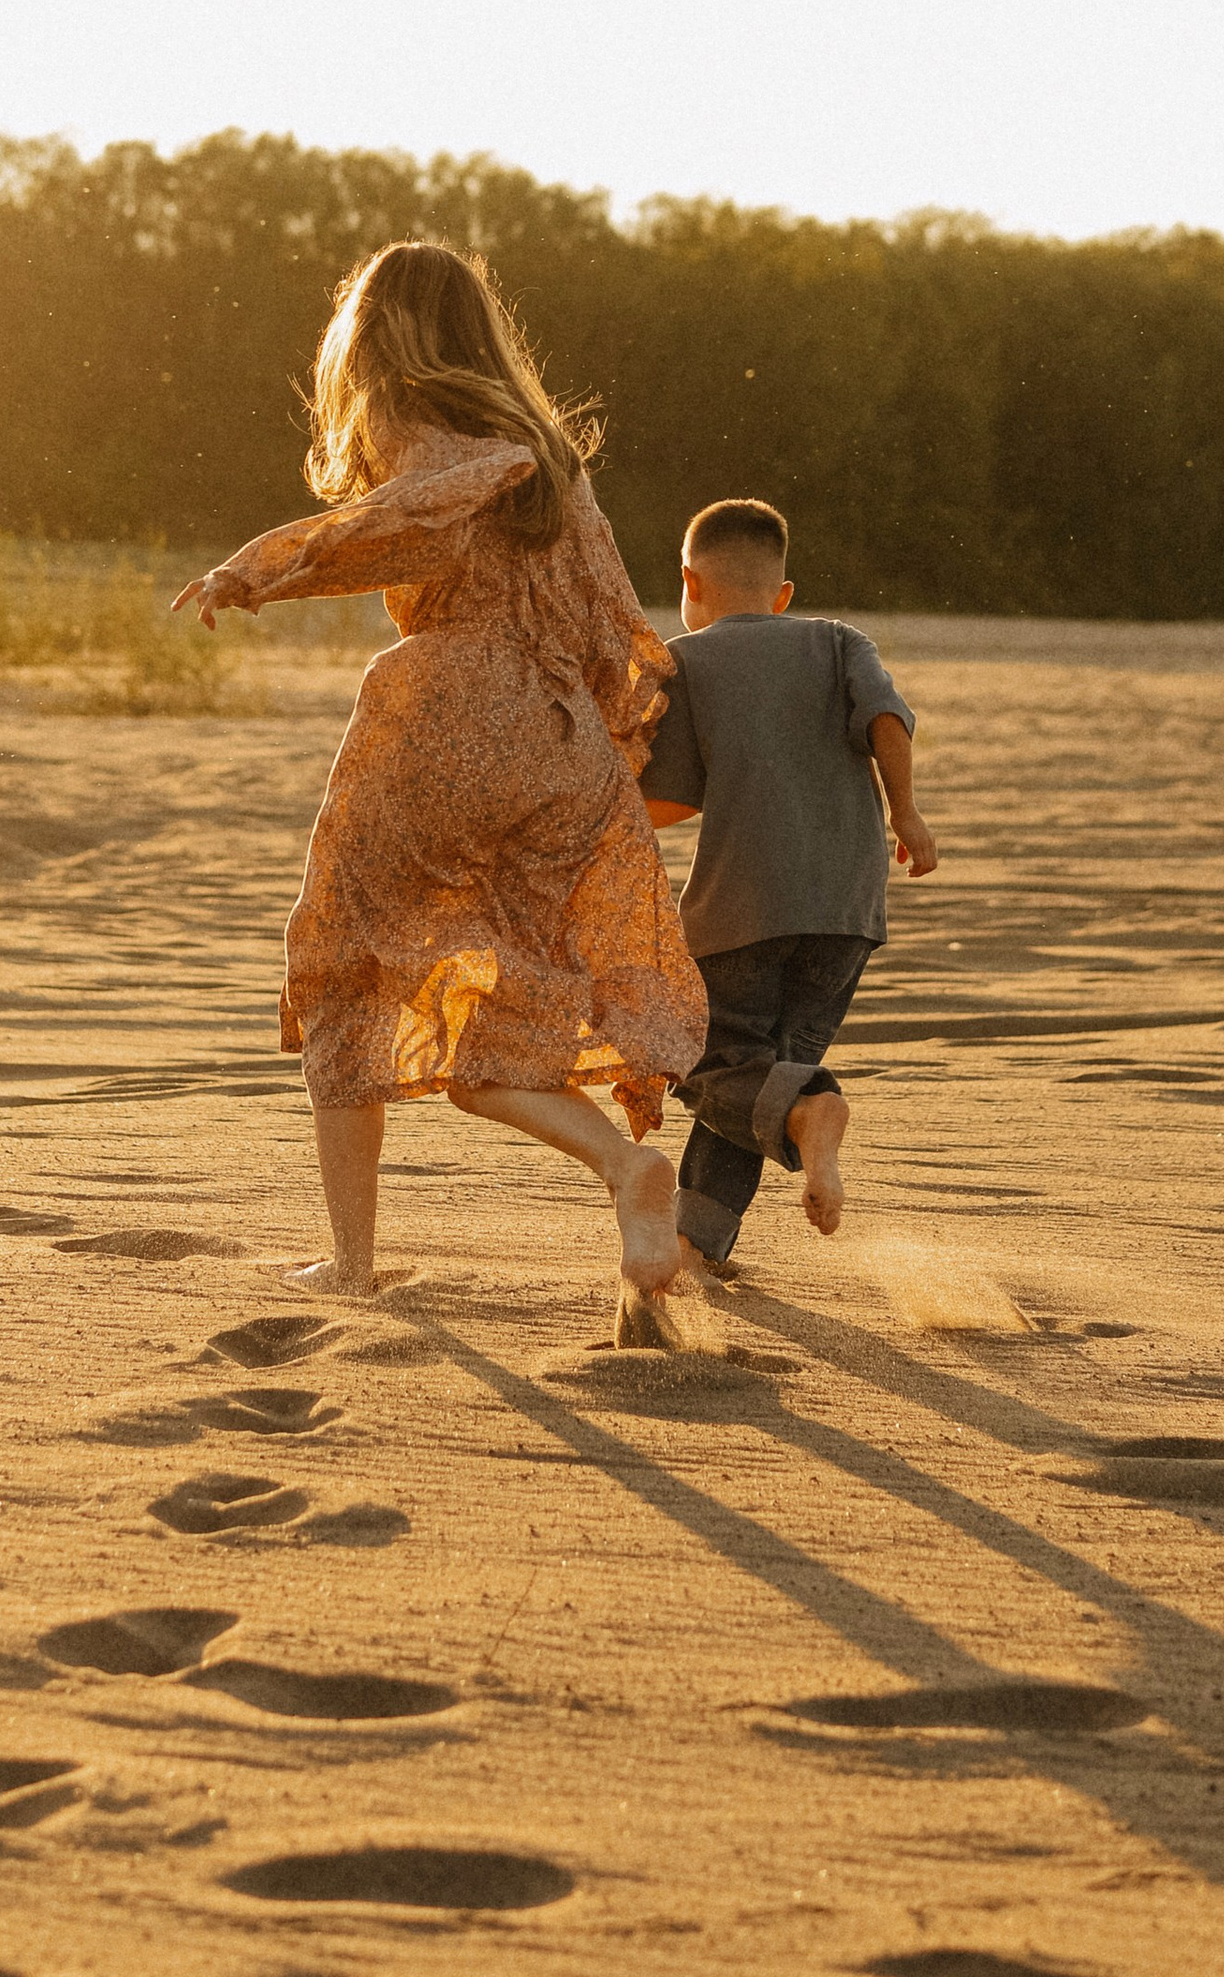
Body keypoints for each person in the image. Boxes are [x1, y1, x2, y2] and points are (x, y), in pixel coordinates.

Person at [173, 243, 706, 1307]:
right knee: (499, 1009)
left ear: (373, 336)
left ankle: (354, 1264)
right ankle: (625, 1168)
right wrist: (601, 746)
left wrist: (260, 570)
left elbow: (398, 525)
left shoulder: (400, 415)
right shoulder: (548, 450)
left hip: (449, 713)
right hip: (560, 740)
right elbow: (613, 622)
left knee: (340, 965)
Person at [639, 496, 937, 1270]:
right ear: (783, 594)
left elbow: (670, 799)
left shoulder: (687, 660)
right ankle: (696, 1241)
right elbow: (887, 720)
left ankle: (815, 1111)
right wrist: (906, 814)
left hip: (742, 904)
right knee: (762, 1072)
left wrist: (598, 813)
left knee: (706, 1063)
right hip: (847, 908)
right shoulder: (839, 641)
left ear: (688, 582)